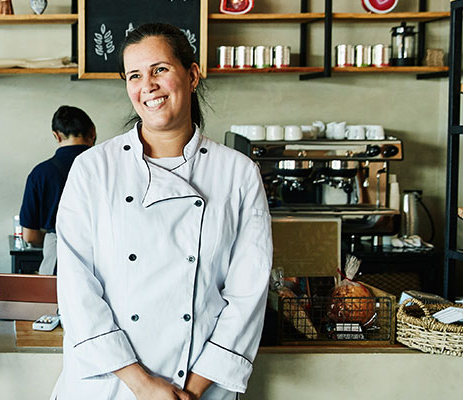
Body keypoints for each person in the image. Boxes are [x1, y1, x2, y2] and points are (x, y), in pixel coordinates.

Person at [52, 23, 272, 400]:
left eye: (160, 70)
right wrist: (144, 385)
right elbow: (76, 288)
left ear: (192, 75)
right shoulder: (93, 169)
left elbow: (247, 294)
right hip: (110, 385)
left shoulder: (237, 173)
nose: (147, 86)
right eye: (134, 75)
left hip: (200, 388)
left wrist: (193, 389)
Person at [18, 105, 97, 275]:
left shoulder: (40, 173)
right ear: (93, 132)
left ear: (56, 135)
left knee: (56, 300)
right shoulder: (109, 167)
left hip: (57, 257)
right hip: (102, 252)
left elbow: (30, 236)